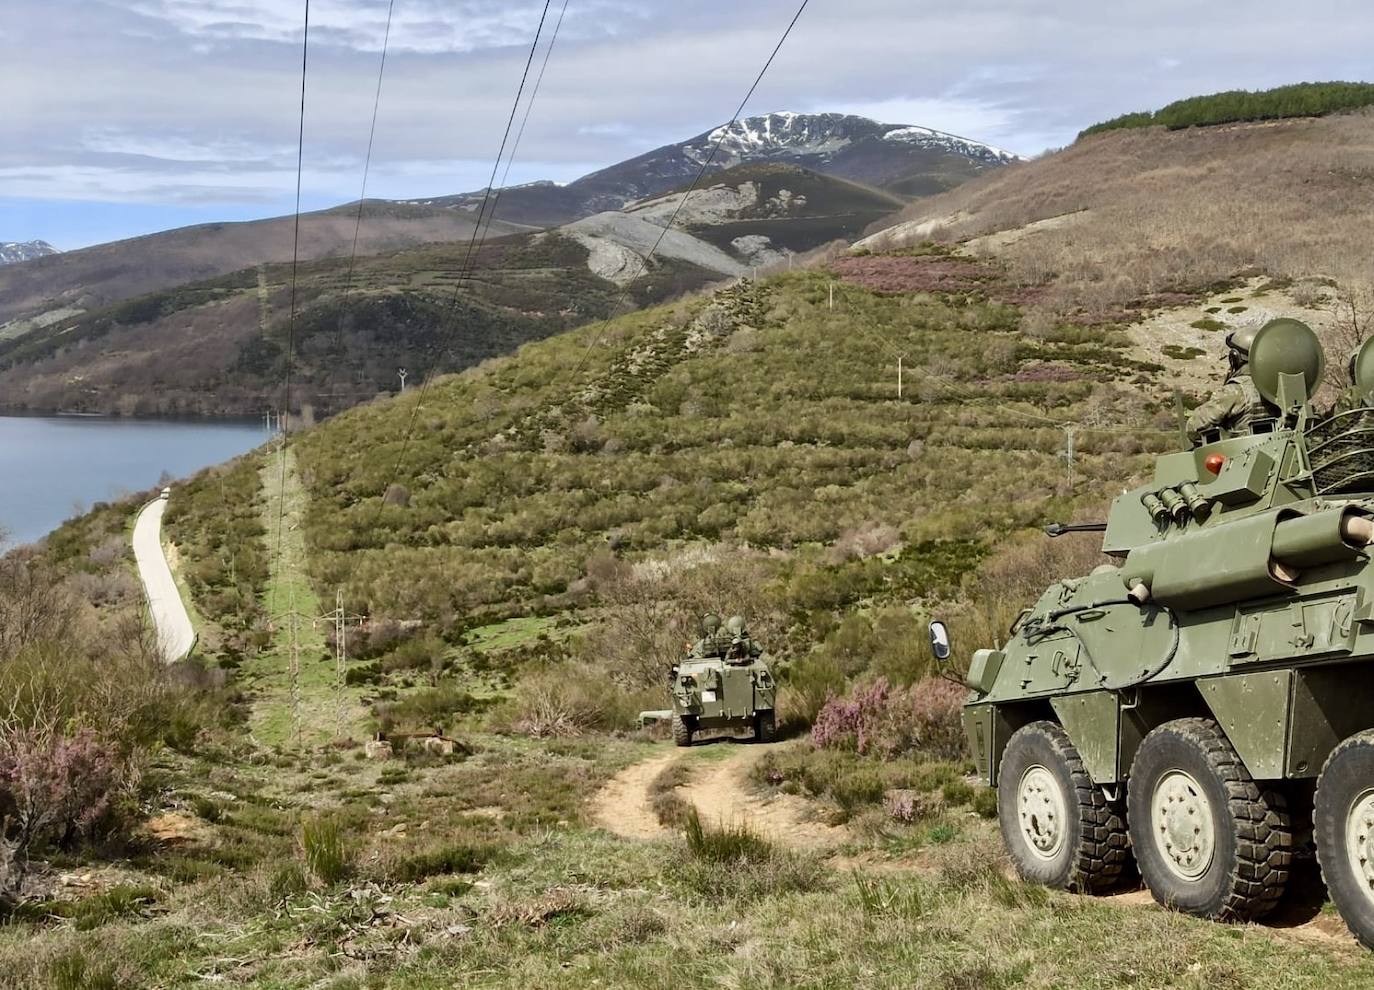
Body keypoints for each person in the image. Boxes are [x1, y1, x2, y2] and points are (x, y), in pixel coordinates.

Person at [1185, 326, 1277, 445]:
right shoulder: (1279, 386)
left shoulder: (1234, 391)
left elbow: (1193, 428)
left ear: (1235, 357)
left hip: (1241, 456)